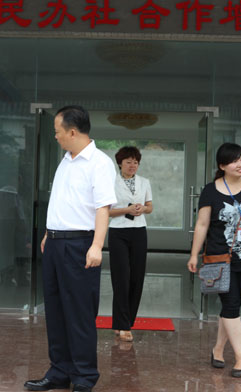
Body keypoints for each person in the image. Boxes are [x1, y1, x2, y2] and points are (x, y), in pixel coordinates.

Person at [24, 106, 117, 392]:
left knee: (79, 313)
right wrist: (49, 233)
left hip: (80, 245)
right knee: (55, 311)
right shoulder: (65, 160)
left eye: (58, 131)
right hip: (55, 243)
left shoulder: (99, 163)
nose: (56, 136)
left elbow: (103, 208)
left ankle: (84, 376)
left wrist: (97, 246)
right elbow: (63, 200)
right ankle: (59, 371)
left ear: (73, 132)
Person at [187, 142, 241, 378]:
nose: (240, 164)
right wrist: (194, 254)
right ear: (222, 166)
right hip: (220, 258)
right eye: (234, 161)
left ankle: (218, 349)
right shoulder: (210, 191)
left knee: (230, 307)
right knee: (231, 305)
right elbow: (202, 224)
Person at [108, 146, 153, 342]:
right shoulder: (111, 182)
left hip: (139, 231)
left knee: (136, 277)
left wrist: (143, 209)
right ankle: (123, 325)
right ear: (120, 163)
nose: (132, 165)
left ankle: (126, 322)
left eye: (135, 162)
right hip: (118, 231)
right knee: (121, 278)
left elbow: (150, 207)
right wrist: (126, 210)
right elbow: (106, 211)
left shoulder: (144, 182)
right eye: (128, 162)